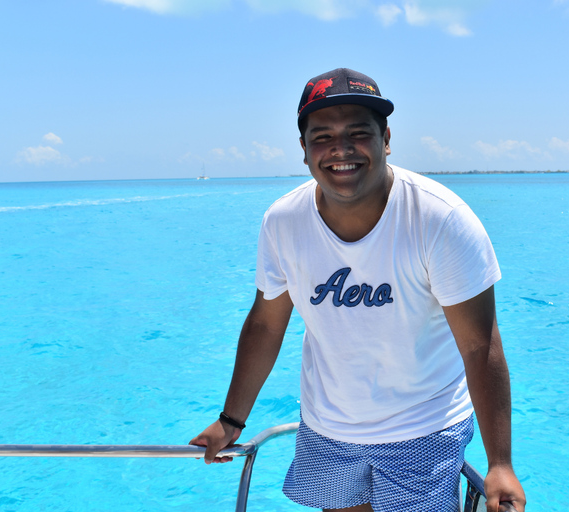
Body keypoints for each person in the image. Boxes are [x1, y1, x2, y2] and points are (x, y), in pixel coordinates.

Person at [190, 68, 526, 512]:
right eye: (322, 136)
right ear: (305, 151)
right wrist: (231, 419)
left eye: (358, 133)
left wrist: (500, 463)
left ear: (386, 138)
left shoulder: (440, 219)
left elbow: (479, 345)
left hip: (422, 427)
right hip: (329, 428)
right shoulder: (282, 222)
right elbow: (266, 324)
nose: (341, 149)